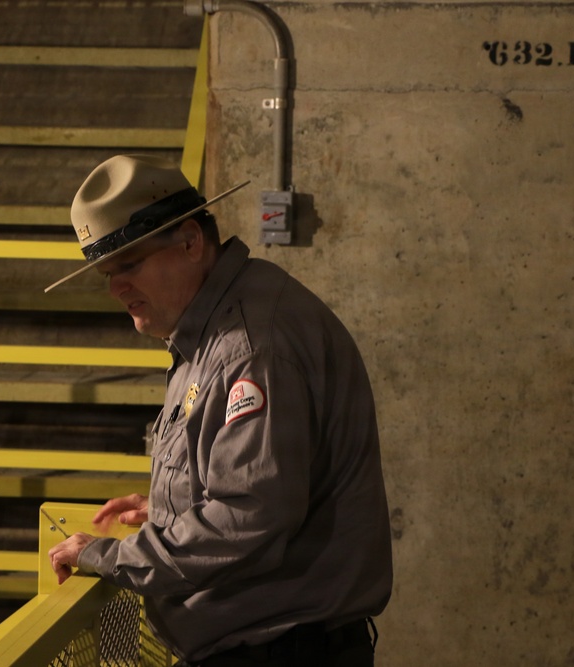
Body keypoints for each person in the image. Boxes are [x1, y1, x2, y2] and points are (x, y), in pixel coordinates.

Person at [46, 154, 392, 667]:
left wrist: (107, 556)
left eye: (130, 265)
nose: (117, 289)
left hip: (278, 652)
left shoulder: (249, 345)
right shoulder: (225, 321)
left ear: (190, 242)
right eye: (107, 273)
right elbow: (253, 485)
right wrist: (174, 506)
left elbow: (248, 515)